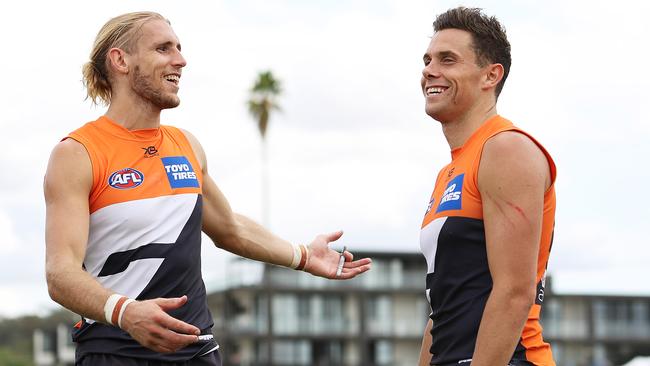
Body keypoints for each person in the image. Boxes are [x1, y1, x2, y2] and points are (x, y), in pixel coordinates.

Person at [43, 11, 372, 366]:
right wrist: (125, 312)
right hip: (115, 352)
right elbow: (60, 273)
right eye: (163, 48)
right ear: (120, 60)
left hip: (197, 351)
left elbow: (229, 227)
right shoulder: (77, 153)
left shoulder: (187, 146)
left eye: (179, 48)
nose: (180, 60)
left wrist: (304, 256)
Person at [417, 7, 556, 366]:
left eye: (448, 60)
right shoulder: (449, 171)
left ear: (490, 75)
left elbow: (514, 291)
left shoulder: (506, 148)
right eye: (428, 59)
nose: (430, 70)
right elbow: (443, 306)